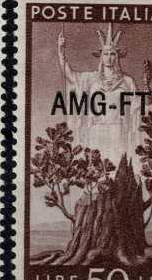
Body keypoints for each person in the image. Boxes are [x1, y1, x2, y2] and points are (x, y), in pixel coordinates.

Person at [55, 23, 140, 171]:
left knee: (118, 168)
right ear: (101, 57)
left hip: (118, 129)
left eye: (112, 54)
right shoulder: (91, 79)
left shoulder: (127, 81)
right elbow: (70, 76)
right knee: (96, 170)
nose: (109, 58)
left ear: (117, 57)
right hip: (96, 129)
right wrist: (61, 52)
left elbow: (136, 107)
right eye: (105, 54)